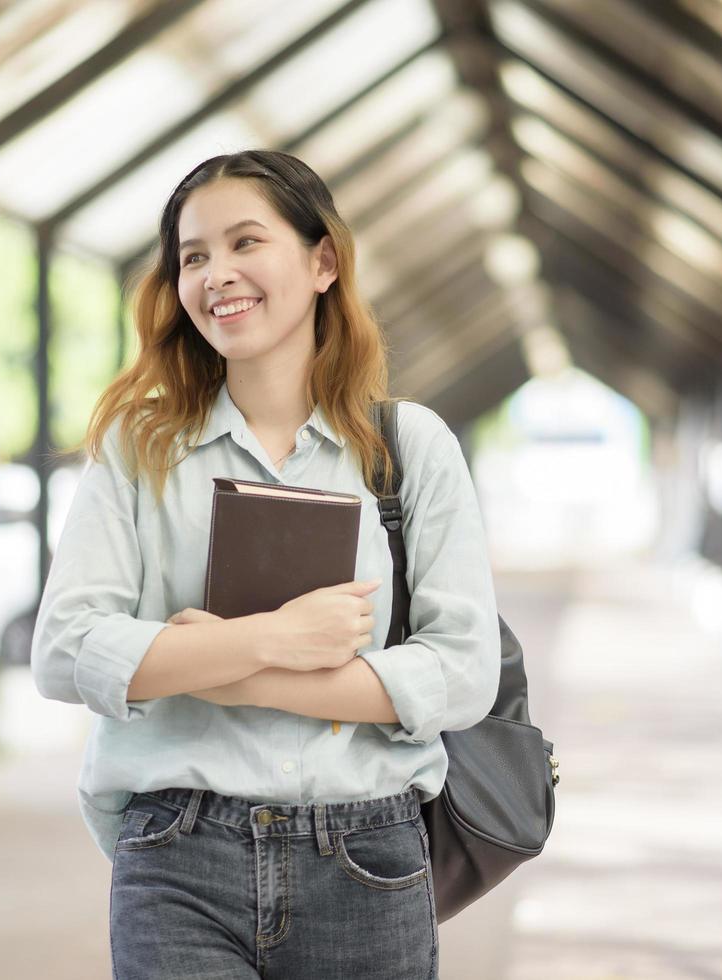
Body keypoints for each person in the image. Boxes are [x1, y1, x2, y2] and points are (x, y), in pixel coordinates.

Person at [31, 149, 500, 979]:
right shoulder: (140, 450)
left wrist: (216, 669)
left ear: (323, 261)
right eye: (194, 257)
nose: (219, 274)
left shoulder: (409, 448)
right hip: (177, 857)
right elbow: (65, 650)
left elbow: (463, 674)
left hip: (367, 862)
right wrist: (279, 637)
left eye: (246, 243)